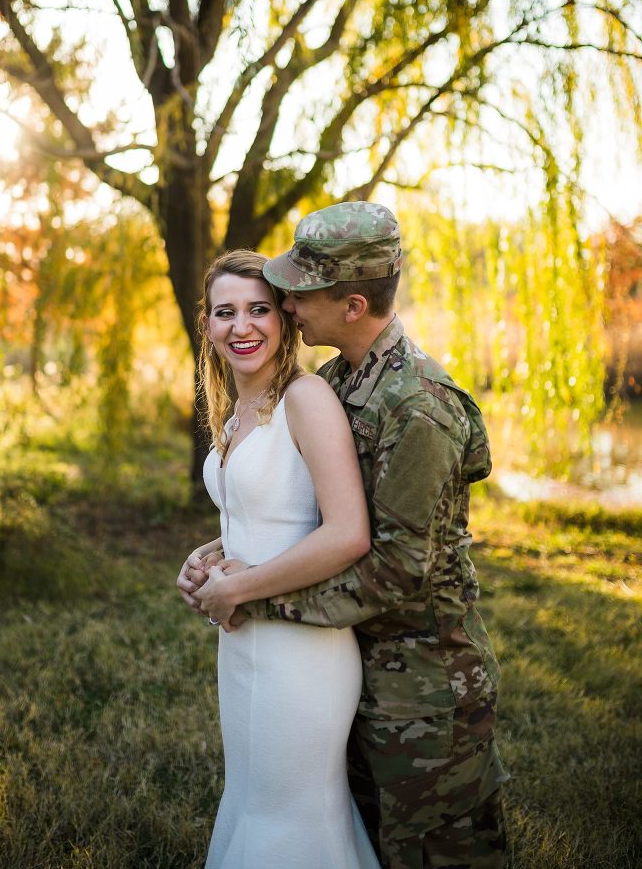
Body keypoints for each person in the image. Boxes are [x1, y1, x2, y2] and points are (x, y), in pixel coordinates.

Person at [180, 204, 509, 869]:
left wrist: (249, 596)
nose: (288, 302)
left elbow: (390, 567)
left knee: (437, 854)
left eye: (299, 291)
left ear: (352, 303)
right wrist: (220, 557)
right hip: (350, 658)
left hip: (424, 684)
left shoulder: (420, 408)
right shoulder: (337, 381)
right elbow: (301, 505)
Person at [178, 248, 380, 869]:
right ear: (207, 327)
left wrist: (241, 588)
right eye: (225, 312)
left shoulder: (307, 399)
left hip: (302, 649)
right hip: (242, 642)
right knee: (253, 799)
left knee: (292, 814)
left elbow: (348, 533)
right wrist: (208, 559)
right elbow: (265, 517)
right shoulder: (234, 413)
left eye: (258, 309)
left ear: (286, 317)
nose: (242, 327)